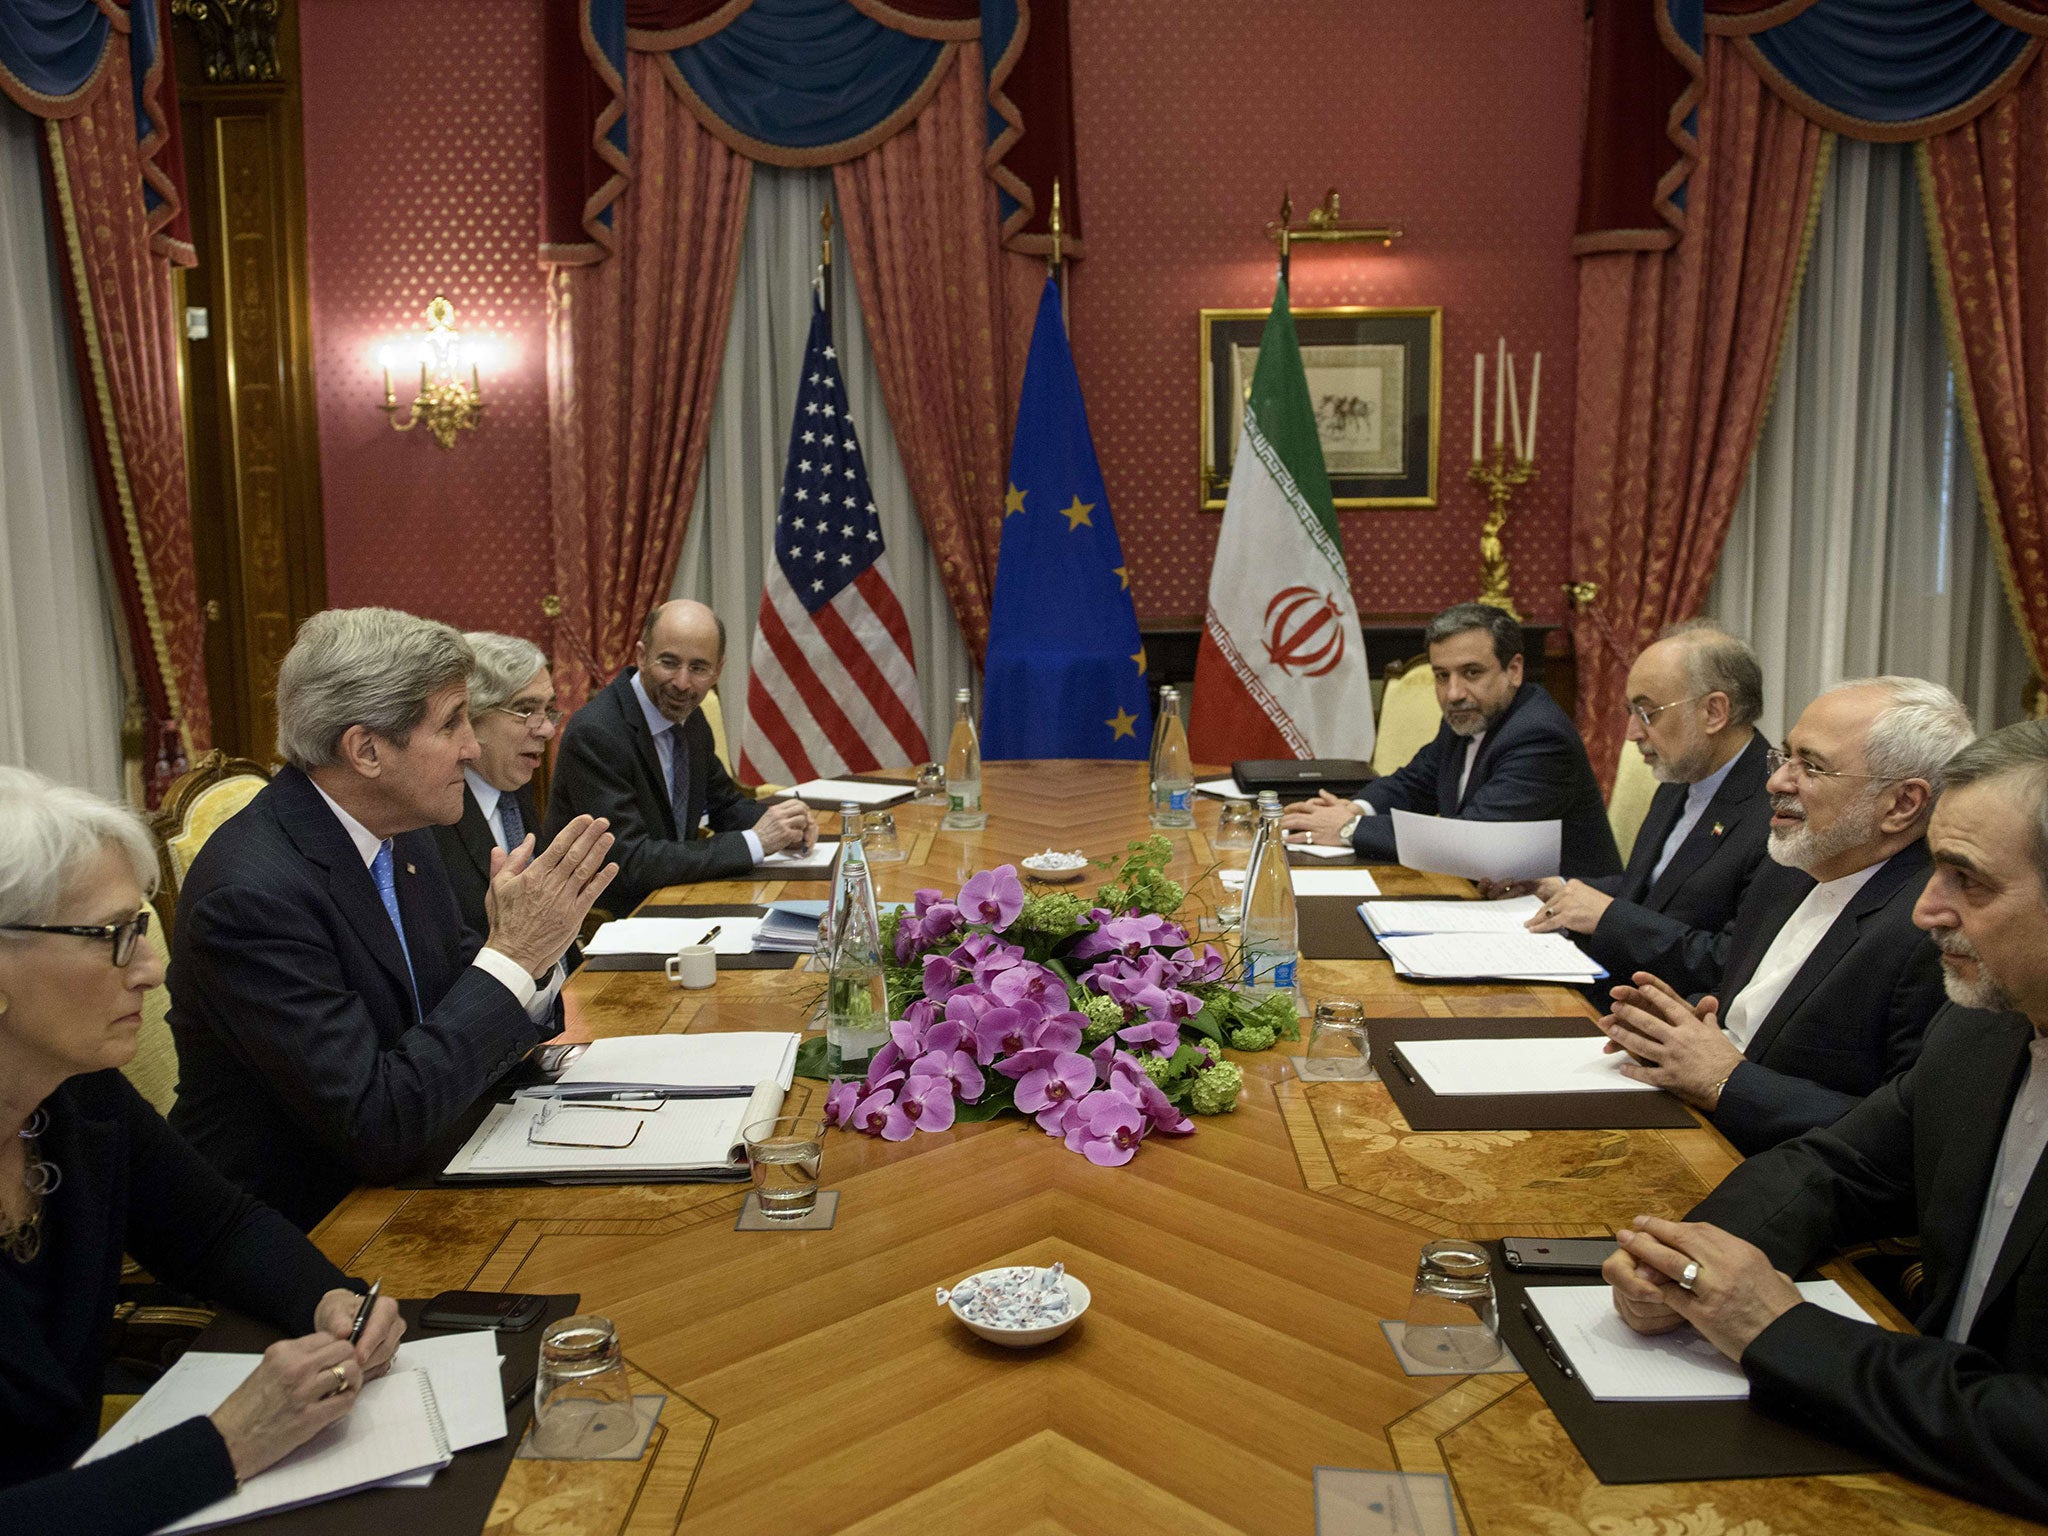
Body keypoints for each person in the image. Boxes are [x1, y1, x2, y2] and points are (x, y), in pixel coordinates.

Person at [1602, 722, 2048, 1522]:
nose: (1924, 909)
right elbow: (1838, 1165)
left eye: (1967, 880)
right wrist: (1691, 1260)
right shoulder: (1987, 1024)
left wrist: (1782, 1333)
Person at [0, 767, 406, 1536]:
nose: (152, 971)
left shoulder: (76, 1097)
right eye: (114, 937)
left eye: (143, 931)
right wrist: (227, 1443)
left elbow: (217, 1229)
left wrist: (327, 1298)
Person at [169, 608, 617, 1228]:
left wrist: (529, 958)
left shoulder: (399, 831)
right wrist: (513, 956)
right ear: (366, 750)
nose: (472, 745)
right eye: (452, 723)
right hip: (308, 1223)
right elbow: (375, 1123)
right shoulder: (252, 898)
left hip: (433, 1160)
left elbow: (457, 996)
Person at [1600, 677, 1969, 1154]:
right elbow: (1753, 1011)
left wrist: (1727, 1081)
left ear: (1901, 804)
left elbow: (1907, 1136)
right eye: (1784, 756)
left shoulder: (1934, 930)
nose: (1775, 781)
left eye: (1811, 767)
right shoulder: (1790, 864)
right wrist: (1678, 1026)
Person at [1518, 622, 1772, 1001]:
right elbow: (1658, 890)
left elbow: (1729, 963)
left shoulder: (1775, 813)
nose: (1632, 732)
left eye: (1648, 713)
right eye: (1630, 712)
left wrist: (1607, 916)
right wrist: (1562, 890)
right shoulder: (1678, 780)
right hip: (1614, 988)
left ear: (1714, 712)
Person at [1279, 602, 1622, 878]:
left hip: (1563, 925)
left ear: (1514, 670)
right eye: (1442, 676)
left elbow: (1470, 841)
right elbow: (1414, 784)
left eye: (1471, 673)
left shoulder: (1539, 737)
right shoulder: (1469, 717)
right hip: (1489, 897)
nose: (1453, 693)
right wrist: (1353, 808)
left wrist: (1350, 828)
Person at [546, 599, 816, 915]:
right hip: (617, 917)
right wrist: (754, 843)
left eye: (699, 668)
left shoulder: (690, 719)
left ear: (718, 670)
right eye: (669, 663)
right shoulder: (597, 733)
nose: (682, 683)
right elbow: (630, 862)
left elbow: (723, 804)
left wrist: (784, 828)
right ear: (641, 656)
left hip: (677, 897)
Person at [431, 632, 557, 938]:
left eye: (548, 710)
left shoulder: (513, 784)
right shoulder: (433, 812)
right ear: (471, 716)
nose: (548, 730)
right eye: (526, 710)